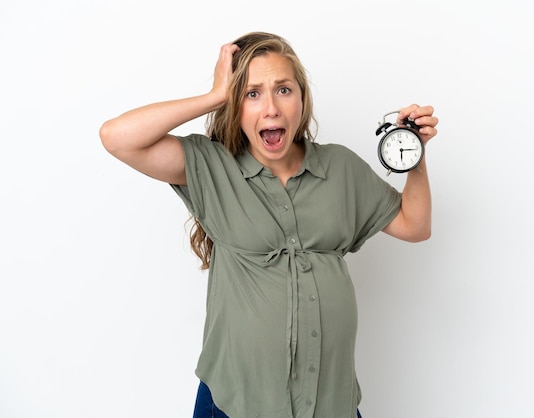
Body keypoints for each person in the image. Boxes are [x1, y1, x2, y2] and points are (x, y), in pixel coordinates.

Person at [100, 31, 438, 418]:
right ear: (235, 104)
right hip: (236, 404)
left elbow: (416, 225)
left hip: (329, 405)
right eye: (252, 93)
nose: (272, 108)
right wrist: (213, 95)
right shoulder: (212, 166)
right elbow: (117, 138)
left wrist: (415, 154)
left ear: (302, 99)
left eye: (283, 90)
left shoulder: (341, 168)